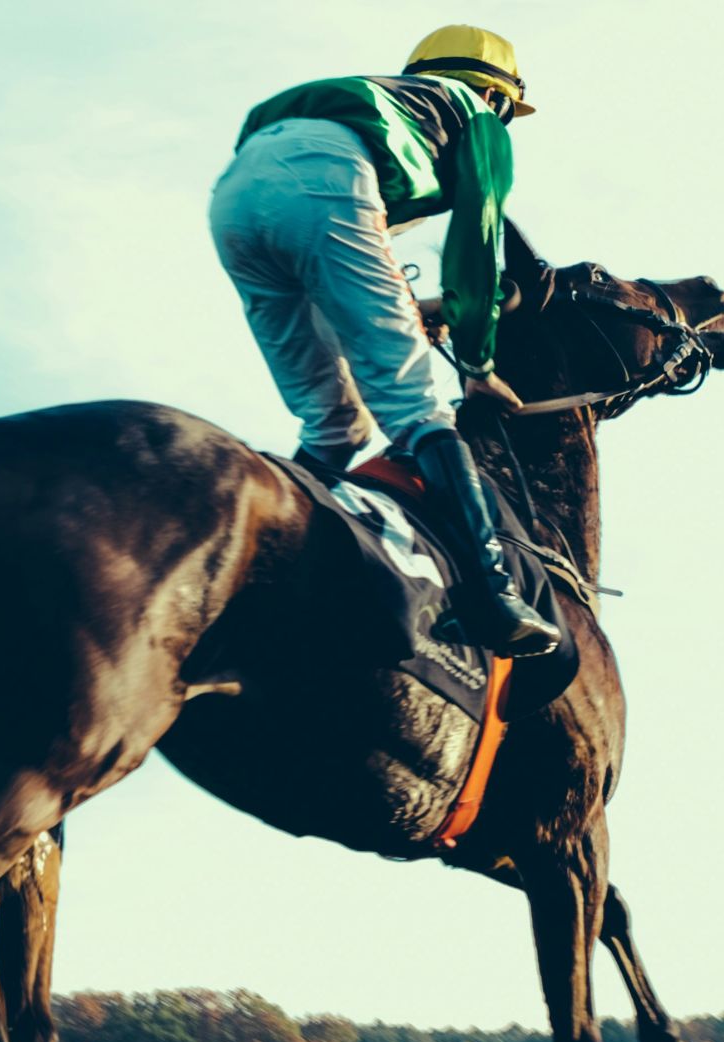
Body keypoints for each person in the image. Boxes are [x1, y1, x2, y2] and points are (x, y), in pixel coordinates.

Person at [209, 24, 560, 657]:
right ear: (501, 96)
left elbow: (336, 231)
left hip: (235, 198)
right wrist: (478, 360)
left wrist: (415, 307)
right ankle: (491, 595)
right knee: (414, 403)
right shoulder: (478, 117)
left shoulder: (378, 99)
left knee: (335, 422)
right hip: (329, 183)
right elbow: (476, 238)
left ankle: (264, 555)